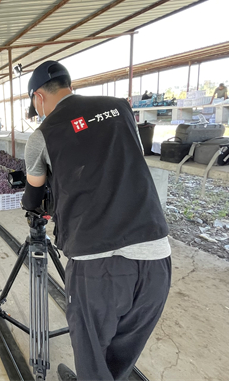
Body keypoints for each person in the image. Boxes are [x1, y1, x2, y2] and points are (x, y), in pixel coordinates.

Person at [21, 60, 171, 381]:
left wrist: (35, 207)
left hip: (99, 266)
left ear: (39, 99)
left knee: (91, 355)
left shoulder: (43, 134)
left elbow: (34, 195)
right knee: (121, 356)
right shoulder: (118, 108)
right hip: (156, 256)